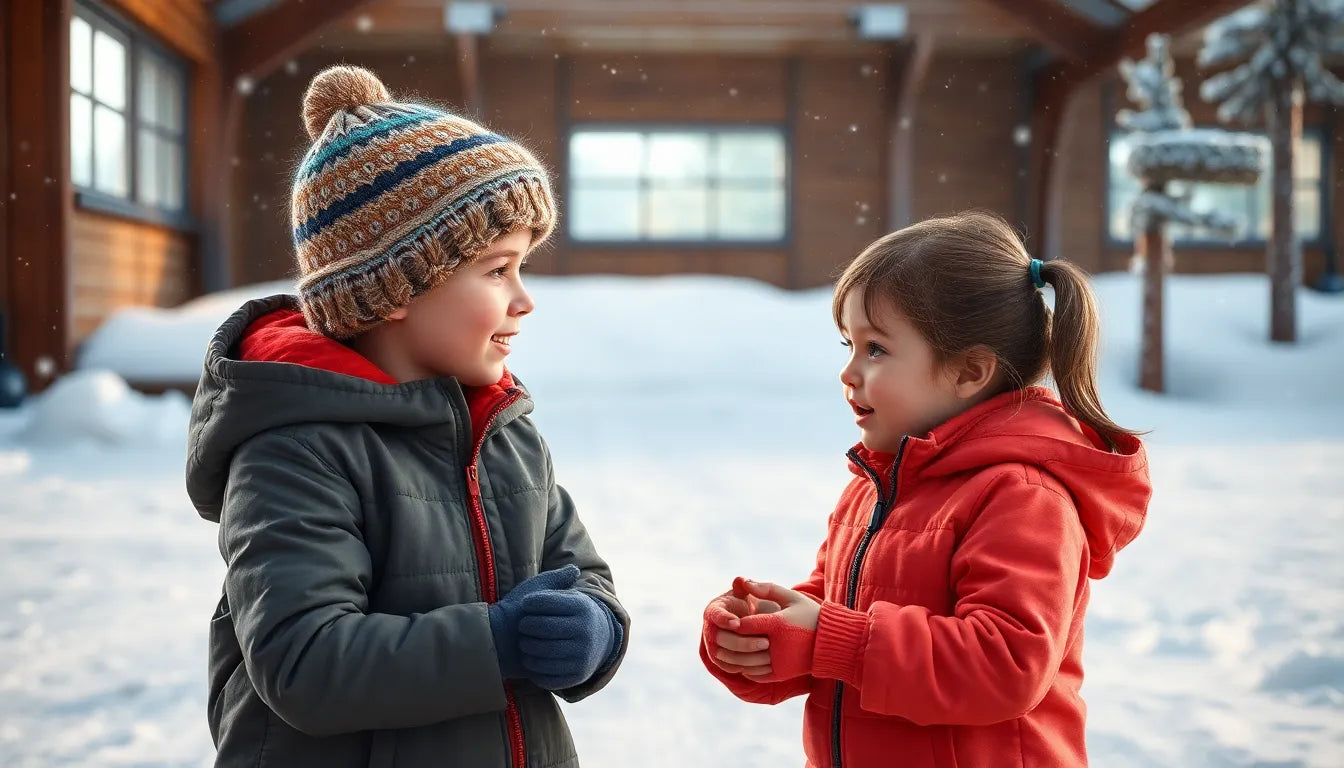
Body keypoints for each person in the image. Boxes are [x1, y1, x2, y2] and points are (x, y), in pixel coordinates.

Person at [186, 65, 628, 768]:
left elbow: (583, 577)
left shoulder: (503, 432)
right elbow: (304, 662)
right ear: (396, 287)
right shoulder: (295, 449)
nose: (524, 299)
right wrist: (497, 642)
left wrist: (594, 630)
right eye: (497, 270)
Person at [699, 211, 1151, 767]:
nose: (849, 371)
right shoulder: (875, 485)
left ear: (968, 372)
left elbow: (1005, 663)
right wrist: (768, 632)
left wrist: (829, 637)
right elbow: (842, 615)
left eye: (877, 350)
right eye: (848, 344)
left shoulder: (1023, 496)